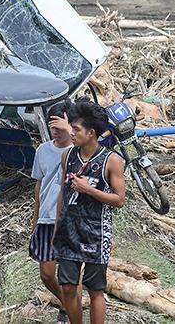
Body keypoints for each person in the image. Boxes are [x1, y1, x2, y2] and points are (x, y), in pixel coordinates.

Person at [53, 101, 126, 324]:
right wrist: (57, 224)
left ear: (91, 133)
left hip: (96, 232)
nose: (71, 133)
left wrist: (89, 189)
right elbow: (63, 192)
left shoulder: (111, 160)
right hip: (68, 230)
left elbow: (119, 200)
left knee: (95, 290)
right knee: (67, 287)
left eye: (76, 130)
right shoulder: (69, 156)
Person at [29, 101, 73, 324]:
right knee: (46, 274)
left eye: (59, 126)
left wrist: (70, 130)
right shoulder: (43, 150)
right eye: (51, 127)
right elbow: (39, 185)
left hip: (69, 221)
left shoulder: (78, 151)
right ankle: (66, 303)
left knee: (68, 273)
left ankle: (69, 311)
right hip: (46, 218)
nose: (55, 131)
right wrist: (35, 217)